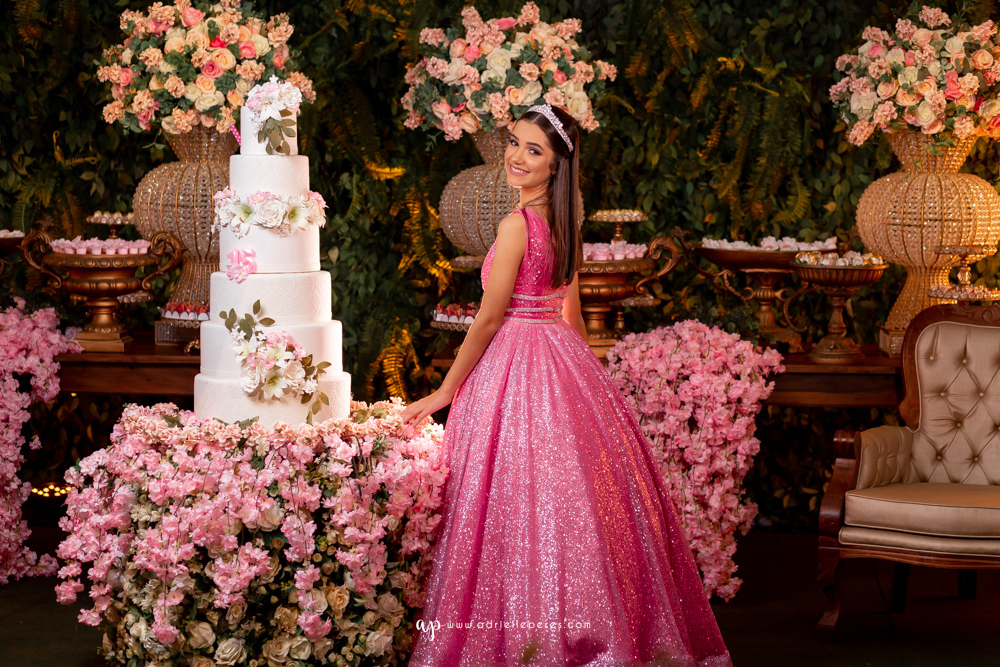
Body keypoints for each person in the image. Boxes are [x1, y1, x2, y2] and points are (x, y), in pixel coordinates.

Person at [400, 104, 732, 667]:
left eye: (534, 151)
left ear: (557, 168)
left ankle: (526, 642)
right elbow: (571, 315)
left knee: (512, 505)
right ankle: (593, 633)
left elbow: (487, 319)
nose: (517, 157)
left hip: (518, 358)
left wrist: (443, 393)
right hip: (560, 358)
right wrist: (590, 388)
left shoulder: (516, 225)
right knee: (571, 503)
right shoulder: (563, 226)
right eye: (514, 143)